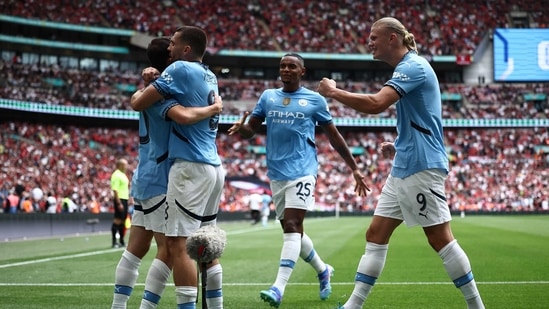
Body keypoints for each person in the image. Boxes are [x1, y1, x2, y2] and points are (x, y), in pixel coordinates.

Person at [317, 17, 485, 309]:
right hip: (405, 164)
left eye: (373, 36)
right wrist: (401, 144)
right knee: (376, 233)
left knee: (440, 239)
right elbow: (422, 118)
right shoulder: (407, 68)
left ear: (392, 38)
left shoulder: (412, 67)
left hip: (420, 165)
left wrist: (333, 92)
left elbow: (375, 104)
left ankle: (476, 306)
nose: (369, 41)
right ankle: (352, 306)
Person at [228, 52, 369, 308]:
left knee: (292, 225)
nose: (286, 69)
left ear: (302, 71)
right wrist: (243, 127)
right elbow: (251, 130)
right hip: (276, 172)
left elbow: (334, 136)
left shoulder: (315, 100)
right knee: (292, 230)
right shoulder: (268, 96)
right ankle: (323, 269)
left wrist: (354, 168)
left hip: (303, 170)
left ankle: (278, 287)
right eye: (283, 65)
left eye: (292, 66)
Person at [131, 26, 225, 309]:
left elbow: (140, 103)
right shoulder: (209, 74)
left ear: (185, 50)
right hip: (213, 164)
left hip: (189, 166)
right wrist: (213, 108)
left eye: (174, 43)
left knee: (179, 246)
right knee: (206, 244)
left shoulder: (180, 69)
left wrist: (147, 84)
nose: (170, 49)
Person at [110, 158, 131, 248]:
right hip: (120, 199)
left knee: (123, 221)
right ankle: (114, 242)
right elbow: (115, 190)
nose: (126, 166)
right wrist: (118, 203)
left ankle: (122, 241)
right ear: (120, 165)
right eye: (125, 164)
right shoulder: (116, 175)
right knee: (117, 220)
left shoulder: (123, 175)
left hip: (124, 199)